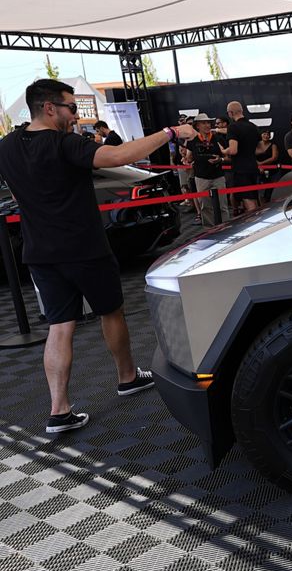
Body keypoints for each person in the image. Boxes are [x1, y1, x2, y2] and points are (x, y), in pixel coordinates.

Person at [0, 79, 195, 434]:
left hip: (40, 252)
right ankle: (127, 376)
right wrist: (169, 132)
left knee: (60, 327)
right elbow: (121, 156)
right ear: (49, 108)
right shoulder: (65, 143)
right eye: (72, 108)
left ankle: (59, 410)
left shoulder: (7, 146)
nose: (76, 116)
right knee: (111, 311)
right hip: (84, 247)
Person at [181, 114, 230, 226]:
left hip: (218, 176)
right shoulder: (192, 140)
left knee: (222, 205)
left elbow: (227, 157)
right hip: (201, 177)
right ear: (197, 126)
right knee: (205, 206)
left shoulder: (218, 138)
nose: (207, 125)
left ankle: (227, 228)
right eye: (204, 123)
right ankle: (209, 230)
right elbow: (188, 158)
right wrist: (187, 158)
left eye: (208, 123)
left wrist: (220, 159)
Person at [223, 101, 260, 213]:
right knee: (254, 198)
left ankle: (255, 227)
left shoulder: (233, 127)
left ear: (230, 113)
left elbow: (233, 150)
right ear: (242, 111)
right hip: (253, 166)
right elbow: (260, 149)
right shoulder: (253, 126)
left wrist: (224, 150)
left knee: (248, 200)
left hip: (241, 169)